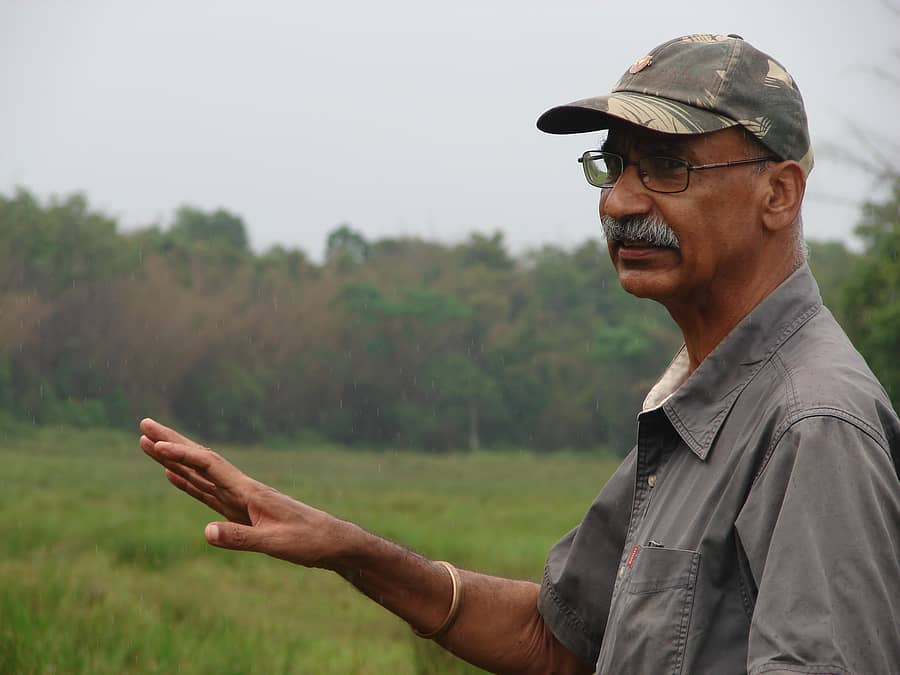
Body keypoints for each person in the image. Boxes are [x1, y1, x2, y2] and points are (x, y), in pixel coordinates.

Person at [140, 34, 900, 674]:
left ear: (780, 193)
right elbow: (558, 638)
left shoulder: (814, 425)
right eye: (615, 164)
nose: (620, 201)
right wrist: (349, 548)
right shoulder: (701, 401)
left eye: (669, 166)